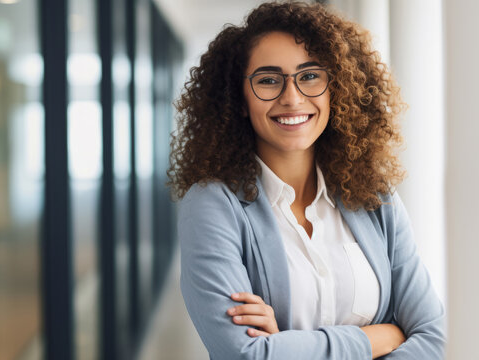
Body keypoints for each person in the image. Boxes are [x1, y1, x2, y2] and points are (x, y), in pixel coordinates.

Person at [167, 2, 445, 359]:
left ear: (336, 87)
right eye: (268, 80)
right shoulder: (212, 205)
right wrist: (383, 337)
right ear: (239, 98)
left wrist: (286, 343)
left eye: (310, 75)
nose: (292, 98)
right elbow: (248, 355)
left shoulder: (376, 198)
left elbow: (432, 336)